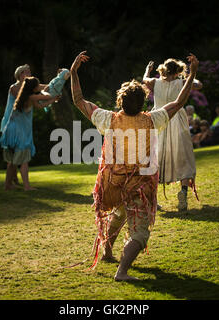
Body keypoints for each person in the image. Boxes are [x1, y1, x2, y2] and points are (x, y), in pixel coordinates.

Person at [70, 51, 199, 281]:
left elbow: (79, 100)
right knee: (140, 232)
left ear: (120, 101)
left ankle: (108, 251)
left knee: (119, 213)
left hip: (113, 184)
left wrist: (73, 73)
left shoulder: (108, 118)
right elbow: (179, 102)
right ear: (143, 102)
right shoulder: (152, 119)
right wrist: (192, 74)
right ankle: (122, 271)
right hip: (138, 186)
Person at [143, 58, 202, 211]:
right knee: (183, 156)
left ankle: (152, 199)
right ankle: (183, 192)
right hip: (177, 120)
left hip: (158, 119)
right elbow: (199, 85)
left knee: (155, 157)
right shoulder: (181, 83)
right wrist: (191, 74)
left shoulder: (155, 83)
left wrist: (148, 71)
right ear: (177, 71)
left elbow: (144, 79)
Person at [1, 77, 59, 191]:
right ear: (32, 88)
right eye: (37, 86)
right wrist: (53, 90)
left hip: (11, 130)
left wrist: (53, 100)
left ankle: (7, 185)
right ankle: (27, 186)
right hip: (19, 132)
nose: (38, 88)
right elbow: (47, 96)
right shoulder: (31, 97)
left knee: (12, 161)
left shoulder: (24, 97)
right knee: (24, 160)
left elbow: (40, 105)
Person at [0, 64, 32, 188]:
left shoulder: (28, 88)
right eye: (26, 72)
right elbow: (26, 100)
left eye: (29, 72)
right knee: (17, 157)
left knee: (13, 158)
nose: (29, 75)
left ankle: (10, 183)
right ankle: (22, 185)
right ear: (20, 75)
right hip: (12, 125)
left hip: (22, 126)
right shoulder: (14, 88)